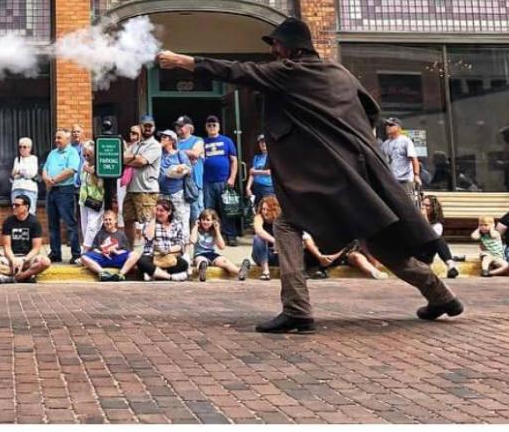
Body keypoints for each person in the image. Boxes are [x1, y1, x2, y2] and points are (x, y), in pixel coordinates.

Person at [158, 17, 461, 333]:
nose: (274, 50)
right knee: (380, 241)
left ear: (290, 47)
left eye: (276, 44)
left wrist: (182, 61)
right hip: (360, 172)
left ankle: (297, 309)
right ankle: (441, 296)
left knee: (287, 223)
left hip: (330, 174)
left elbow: (238, 71)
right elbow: (371, 111)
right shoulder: (339, 73)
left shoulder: (291, 72)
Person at [0, 195, 51, 283]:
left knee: (45, 262)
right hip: (12, 259)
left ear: (26, 207)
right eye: (13, 205)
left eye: (17, 205)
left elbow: (36, 248)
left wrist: (24, 260)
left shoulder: (35, 222)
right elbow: (7, 247)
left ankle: (19, 277)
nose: (14, 207)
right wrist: (13, 259)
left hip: (28, 258)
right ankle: (26, 275)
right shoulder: (8, 222)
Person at [123, 115, 161, 248]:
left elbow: (142, 162)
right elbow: (123, 158)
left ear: (154, 128)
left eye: (150, 126)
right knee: (128, 220)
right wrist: (134, 157)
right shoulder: (136, 145)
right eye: (145, 125)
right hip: (131, 188)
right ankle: (131, 249)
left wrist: (132, 159)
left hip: (147, 190)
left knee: (147, 222)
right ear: (141, 127)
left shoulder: (155, 145)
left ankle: (148, 251)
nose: (148, 128)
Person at [43, 129, 81, 264]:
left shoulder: (72, 152)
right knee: (52, 225)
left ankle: (76, 254)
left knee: (70, 223)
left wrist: (53, 180)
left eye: (59, 138)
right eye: (56, 138)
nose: (56, 140)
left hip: (65, 191)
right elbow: (45, 169)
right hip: (51, 191)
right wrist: (47, 178)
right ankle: (55, 253)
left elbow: (71, 170)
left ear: (67, 139)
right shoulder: (52, 153)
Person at [200, 116, 240, 241]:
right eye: (209, 125)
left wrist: (232, 178)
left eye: (214, 125)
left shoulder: (227, 141)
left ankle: (230, 235)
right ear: (206, 127)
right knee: (208, 210)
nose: (212, 127)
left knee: (228, 209)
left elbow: (234, 161)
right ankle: (209, 236)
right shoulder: (202, 142)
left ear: (219, 126)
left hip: (224, 181)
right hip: (207, 181)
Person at [79, 207, 139, 281]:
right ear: (103, 221)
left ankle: (120, 274)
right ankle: (102, 273)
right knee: (83, 257)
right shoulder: (100, 233)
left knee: (135, 255)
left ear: (115, 221)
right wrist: (102, 251)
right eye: (106, 220)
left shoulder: (121, 234)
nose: (108, 222)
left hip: (117, 257)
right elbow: (94, 249)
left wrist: (116, 251)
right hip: (103, 258)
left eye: (110, 219)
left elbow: (127, 250)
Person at [190, 208, 250, 282]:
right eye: (203, 219)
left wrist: (217, 230)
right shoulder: (197, 230)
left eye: (208, 220)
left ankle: (240, 272)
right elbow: (193, 240)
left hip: (211, 254)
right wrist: (195, 226)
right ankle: (202, 271)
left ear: (213, 221)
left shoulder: (214, 231)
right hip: (199, 254)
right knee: (202, 261)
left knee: (224, 261)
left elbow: (222, 247)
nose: (205, 222)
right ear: (200, 220)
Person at [138, 198, 189, 282]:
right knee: (141, 262)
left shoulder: (176, 224)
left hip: (169, 256)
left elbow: (180, 244)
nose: (158, 213)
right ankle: (170, 277)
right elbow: (149, 237)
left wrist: (168, 250)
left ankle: (154, 273)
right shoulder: (150, 222)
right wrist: (153, 218)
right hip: (152, 255)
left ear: (169, 212)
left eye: (161, 211)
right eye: (157, 210)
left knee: (184, 264)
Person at [157, 129, 192, 237]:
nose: (162, 139)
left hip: (177, 192)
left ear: (172, 140)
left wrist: (181, 169)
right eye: (161, 137)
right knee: (163, 220)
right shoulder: (159, 154)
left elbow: (190, 170)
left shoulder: (179, 154)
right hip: (162, 192)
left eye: (165, 137)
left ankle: (184, 249)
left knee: (181, 220)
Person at [418, 194, 461, 279]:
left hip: (425, 254)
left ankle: (451, 266)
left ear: (433, 208)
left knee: (438, 240)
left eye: (427, 205)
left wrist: (424, 218)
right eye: (422, 204)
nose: (423, 207)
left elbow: (430, 237)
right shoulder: (414, 219)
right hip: (414, 250)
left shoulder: (437, 225)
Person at [381, 118, 420, 200]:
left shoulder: (405, 141)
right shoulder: (385, 144)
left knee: (408, 203)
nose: (388, 127)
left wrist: (416, 175)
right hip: (391, 180)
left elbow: (414, 159)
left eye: (391, 125)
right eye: (386, 125)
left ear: (398, 127)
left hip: (405, 180)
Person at [174, 117, 205, 221]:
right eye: (177, 125)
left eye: (180, 125)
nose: (177, 127)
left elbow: (195, 154)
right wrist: (188, 154)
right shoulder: (175, 142)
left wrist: (177, 152)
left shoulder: (198, 140)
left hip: (194, 183)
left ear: (189, 127)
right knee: (180, 214)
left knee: (196, 213)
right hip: (178, 184)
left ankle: (198, 236)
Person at [77, 141, 105, 248]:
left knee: (93, 226)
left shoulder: (100, 165)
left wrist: (92, 172)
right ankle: (89, 249)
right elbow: (81, 180)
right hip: (84, 198)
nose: (86, 157)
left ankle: (86, 250)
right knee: (85, 226)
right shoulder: (84, 164)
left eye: (88, 155)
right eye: (84, 155)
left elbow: (100, 184)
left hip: (95, 198)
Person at [251, 195, 280, 281]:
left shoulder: (280, 220)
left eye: (268, 210)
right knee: (258, 238)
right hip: (262, 254)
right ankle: (265, 271)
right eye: (263, 209)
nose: (265, 212)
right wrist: (275, 241)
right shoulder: (259, 217)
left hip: (278, 255)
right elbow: (259, 231)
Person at [10, 136, 39, 213]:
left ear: (30, 148)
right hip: (16, 188)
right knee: (16, 211)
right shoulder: (17, 159)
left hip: (29, 189)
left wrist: (20, 171)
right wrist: (22, 172)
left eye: (24, 147)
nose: (22, 149)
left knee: (30, 211)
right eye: (20, 147)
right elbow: (14, 174)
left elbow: (31, 174)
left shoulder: (33, 158)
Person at [246, 134, 274, 210]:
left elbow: (269, 172)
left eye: (265, 142)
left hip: (268, 188)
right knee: (259, 209)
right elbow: (251, 173)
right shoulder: (256, 158)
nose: (263, 144)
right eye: (261, 142)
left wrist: (255, 171)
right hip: (257, 187)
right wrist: (248, 187)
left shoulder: (272, 156)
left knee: (269, 209)